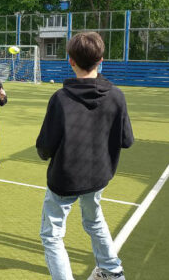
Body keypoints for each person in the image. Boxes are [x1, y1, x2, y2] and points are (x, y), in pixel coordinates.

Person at [36, 32, 134, 280]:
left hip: (65, 180)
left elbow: (45, 145)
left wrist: (44, 152)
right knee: (94, 221)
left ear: (70, 60)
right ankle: (113, 271)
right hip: (98, 176)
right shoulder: (116, 96)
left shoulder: (61, 98)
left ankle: (108, 270)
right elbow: (127, 140)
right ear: (101, 59)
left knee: (52, 235)